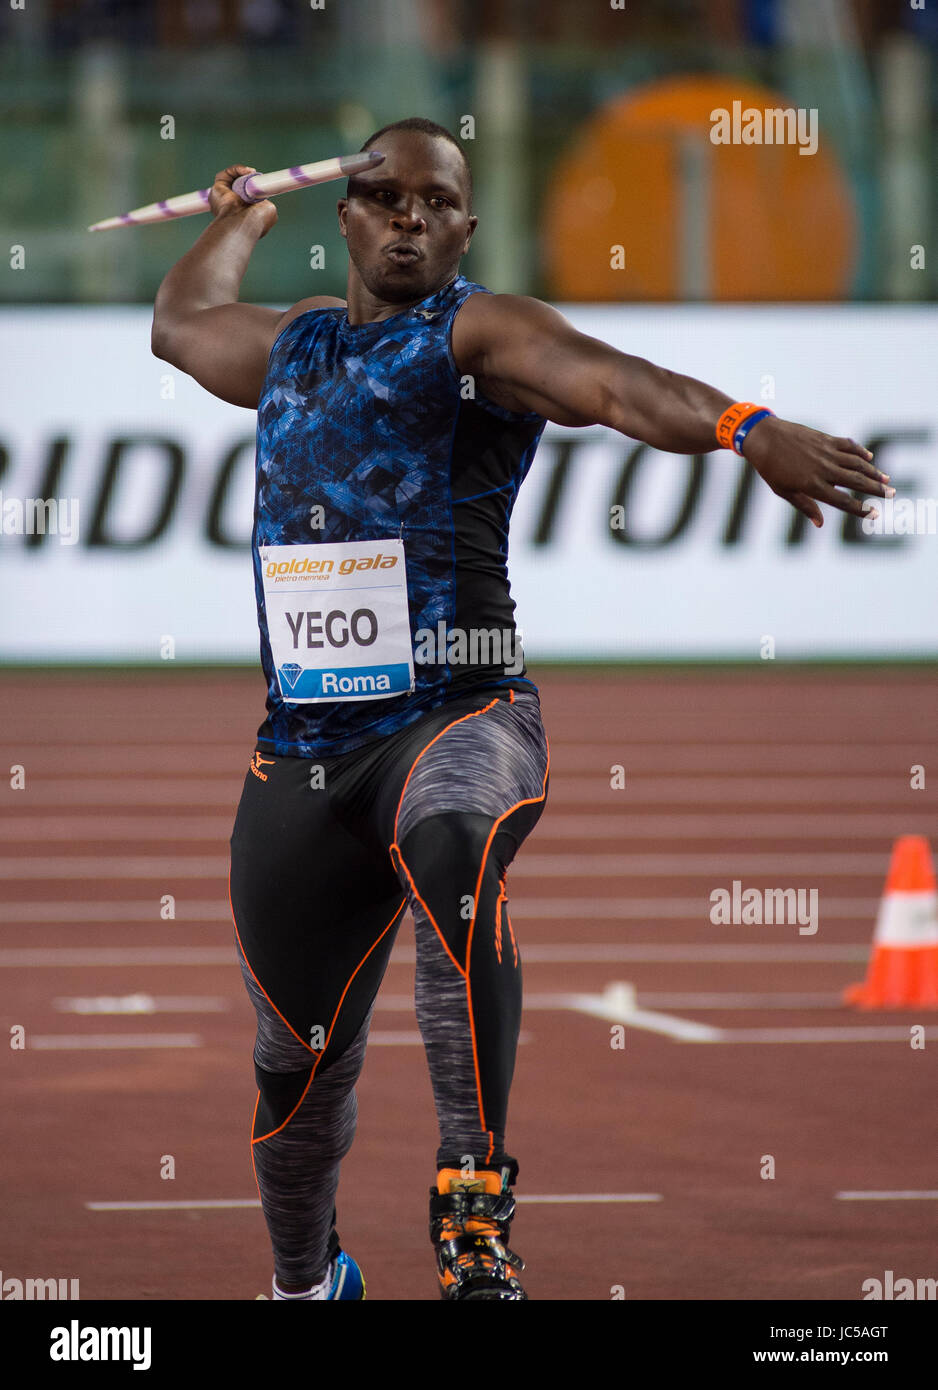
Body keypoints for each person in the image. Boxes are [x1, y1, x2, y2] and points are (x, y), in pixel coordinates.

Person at [150, 116, 892, 1302]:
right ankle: (304, 1279)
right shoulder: (293, 350)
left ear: (464, 226)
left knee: (453, 846)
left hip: (460, 711)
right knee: (291, 1070)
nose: (407, 218)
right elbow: (178, 328)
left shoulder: (477, 334)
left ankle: (472, 1210)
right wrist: (236, 221)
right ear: (342, 216)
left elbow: (610, 383)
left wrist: (743, 428)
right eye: (383, 197)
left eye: (434, 202)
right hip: (302, 754)